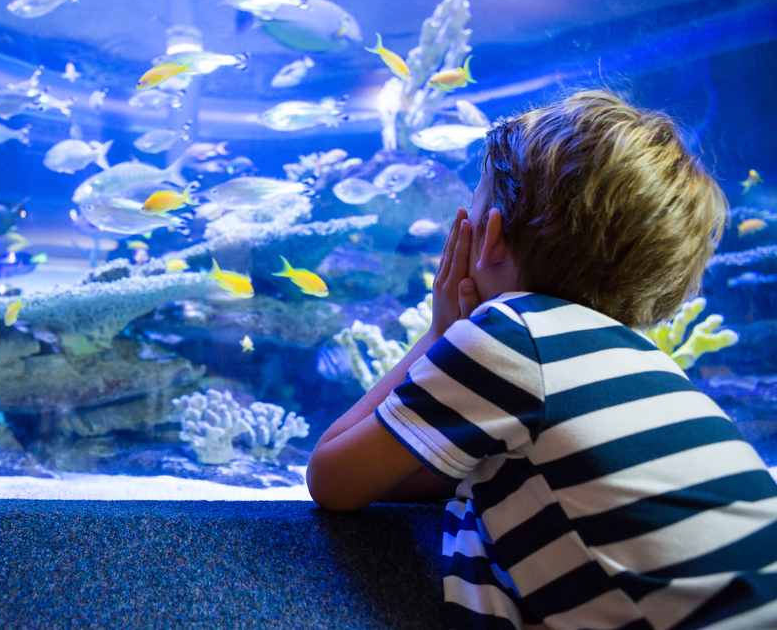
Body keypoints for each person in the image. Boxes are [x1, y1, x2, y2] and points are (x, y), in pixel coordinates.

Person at [307, 90, 777, 629]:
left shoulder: (511, 336)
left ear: (491, 237)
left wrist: (441, 331)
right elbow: (427, 469)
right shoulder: (645, 364)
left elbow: (332, 475)